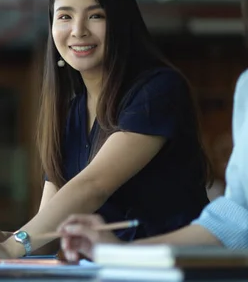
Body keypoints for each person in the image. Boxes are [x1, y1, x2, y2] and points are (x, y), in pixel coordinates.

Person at [0, 0, 213, 259]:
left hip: (175, 269)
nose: (78, 30)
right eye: (64, 17)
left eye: (96, 15)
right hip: (108, 271)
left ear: (120, 23)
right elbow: (50, 226)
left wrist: (15, 245)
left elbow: (93, 186)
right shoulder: (69, 112)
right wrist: (11, 239)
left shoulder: (157, 90)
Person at [57, 70, 248, 262]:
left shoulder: (158, 91)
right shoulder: (245, 85)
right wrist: (119, 253)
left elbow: (93, 186)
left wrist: (25, 240)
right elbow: (234, 221)